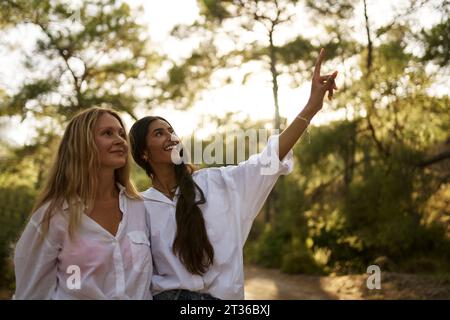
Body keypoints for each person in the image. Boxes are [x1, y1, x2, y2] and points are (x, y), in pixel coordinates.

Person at [129, 48, 338, 300]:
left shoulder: (217, 183)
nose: (171, 137)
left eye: (171, 131)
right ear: (143, 154)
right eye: (159, 133)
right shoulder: (140, 207)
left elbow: (268, 160)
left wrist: (312, 107)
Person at [14, 107, 152, 299]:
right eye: (107, 133)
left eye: (121, 133)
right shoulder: (52, 217)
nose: (120, 140)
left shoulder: (140, 207)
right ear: (82, 144)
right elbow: (31, 294)